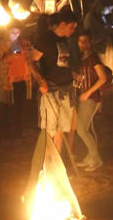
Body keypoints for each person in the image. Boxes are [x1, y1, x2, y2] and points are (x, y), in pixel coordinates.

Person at [28, 9, 79, 154]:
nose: (73, 30)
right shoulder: (45, 39)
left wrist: (72, 73)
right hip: (51, 90)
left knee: (61, 130)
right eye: (72, 27)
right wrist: (41, 80)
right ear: (62, 24)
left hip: (66, 89)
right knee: (50, 129)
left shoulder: (64, 39)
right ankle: (47, 164)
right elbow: (30, 61)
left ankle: (57, 167)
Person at [73, 31, 108, 171]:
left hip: (90, 98)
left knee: (81, 129)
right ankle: (91, 157)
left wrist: (88, 92)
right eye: (80, 41)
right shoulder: (84, 57)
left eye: (85, 41)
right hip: (87, 96)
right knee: (88, 128)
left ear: (91, 42)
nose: (82, 44)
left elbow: (103, 78)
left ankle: (96, 157)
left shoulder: (93, 58)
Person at [0, 26, 33, 138]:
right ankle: (5, 132)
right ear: (7, 32)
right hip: (8, 81)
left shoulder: (25, 43)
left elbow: (31, 58)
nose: (15, 34)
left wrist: (24, 53)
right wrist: (9, 53)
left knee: (19, 106)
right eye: (12, 32)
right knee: (6, 106)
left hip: (22, 79)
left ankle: (18, 131)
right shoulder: (2, 44)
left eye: (18, 32)